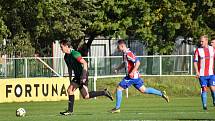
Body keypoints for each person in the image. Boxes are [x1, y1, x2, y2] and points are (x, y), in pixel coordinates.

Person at [111, 40, 169, 113]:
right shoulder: (125, 54)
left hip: (131, 77)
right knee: (144, 90)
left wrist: (132, 72)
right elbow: (125, 63)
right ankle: (161, 93)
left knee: (119, 88)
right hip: (135, 77)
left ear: (122, 46)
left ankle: (117, 108)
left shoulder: (128, 54)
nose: (117, 48)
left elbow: (138, 62)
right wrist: (117, 69)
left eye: (118, 46)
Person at [59, 40, 113, 115]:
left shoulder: (75, 53)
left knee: (69, 90)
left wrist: (84, 75)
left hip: (82, 75)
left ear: (66, 46)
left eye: (61, 47)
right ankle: (104, 92)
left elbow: (85, 63)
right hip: (77, 76)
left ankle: (70, 111)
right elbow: (69, 68)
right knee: (86, 96)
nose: (60, 48)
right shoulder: (66, 57)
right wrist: (70, 78)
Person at [194, 35, 215, 110]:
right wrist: (197, 72)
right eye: (200, 41)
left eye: (202, 41)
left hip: (211, 74)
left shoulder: (212, 49)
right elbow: (195, 62)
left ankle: (214, 101)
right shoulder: (198, 50)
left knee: (213, 88)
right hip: (202, 75)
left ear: (206, 41)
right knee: (204, 88)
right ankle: (205, 106)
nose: (201, 42)